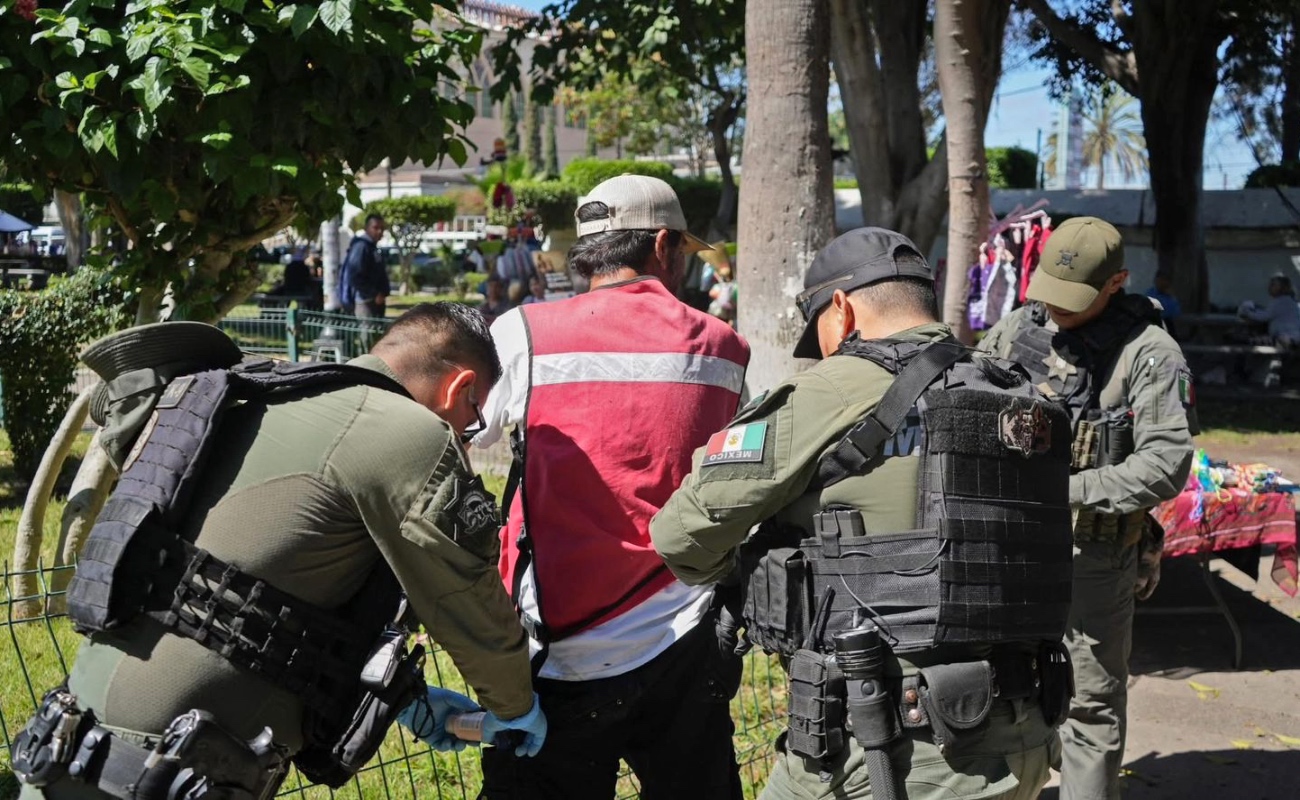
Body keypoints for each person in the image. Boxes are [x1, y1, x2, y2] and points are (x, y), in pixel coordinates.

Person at [12, 306, 547, 800]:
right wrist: (516, 706)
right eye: (472, 423)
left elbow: (261, 602)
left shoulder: (265, 397)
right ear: (462, 387)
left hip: (64, 747)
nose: (468, 439)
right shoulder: (407, 432)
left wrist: (410, 702)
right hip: (161, 776)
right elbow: (466, 602)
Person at [651, 227, 1077, 800]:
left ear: (843, 310)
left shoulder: (840, 386)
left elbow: (680, 533)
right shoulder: (1013, 391)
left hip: (893, 749)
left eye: (820, 332)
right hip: (1026, 734)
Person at [473, 174, 751, 799]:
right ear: (662, 244)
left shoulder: (523, 333)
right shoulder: (725, 349)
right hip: (684, 638)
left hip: (557, 646)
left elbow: (463, 438)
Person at [978, 217, 1197, 800]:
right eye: (1050, 290)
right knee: (993, 690)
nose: (1056, 309)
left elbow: (1166, 464)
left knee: (1090, 705)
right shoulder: (1016, 329)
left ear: (1116, 283)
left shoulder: (1151, 353)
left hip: (1091, 555)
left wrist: (1062, 492)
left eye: (1074, 299)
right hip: (1006, 545)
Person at [341, 213, 390, 322]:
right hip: (365, 302)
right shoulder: (361, 247)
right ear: (366, 228)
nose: (379, 231)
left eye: (382, 228)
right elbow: (355, 277)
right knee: (368, 337)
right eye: (375, 228)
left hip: (375, 301)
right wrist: (374, 294)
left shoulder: (372, 247)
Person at [1238, 272, 1300, 347]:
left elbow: (1263, 316)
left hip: (1287, 337)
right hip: (1289, 336)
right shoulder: (1287, 300)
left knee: (1246, 340)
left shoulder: (1281, 301)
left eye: (1273, 285)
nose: (1269, 287)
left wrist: (1247, 311)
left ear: (1282, 287)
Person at [1145, 272, 1182, 339]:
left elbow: (1176, 312)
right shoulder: (1150, 294)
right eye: (1160, 280)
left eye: (1165, 280)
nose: (1162, 283)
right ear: (1156, 280)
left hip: (1167, 326)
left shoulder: (1170, 297)